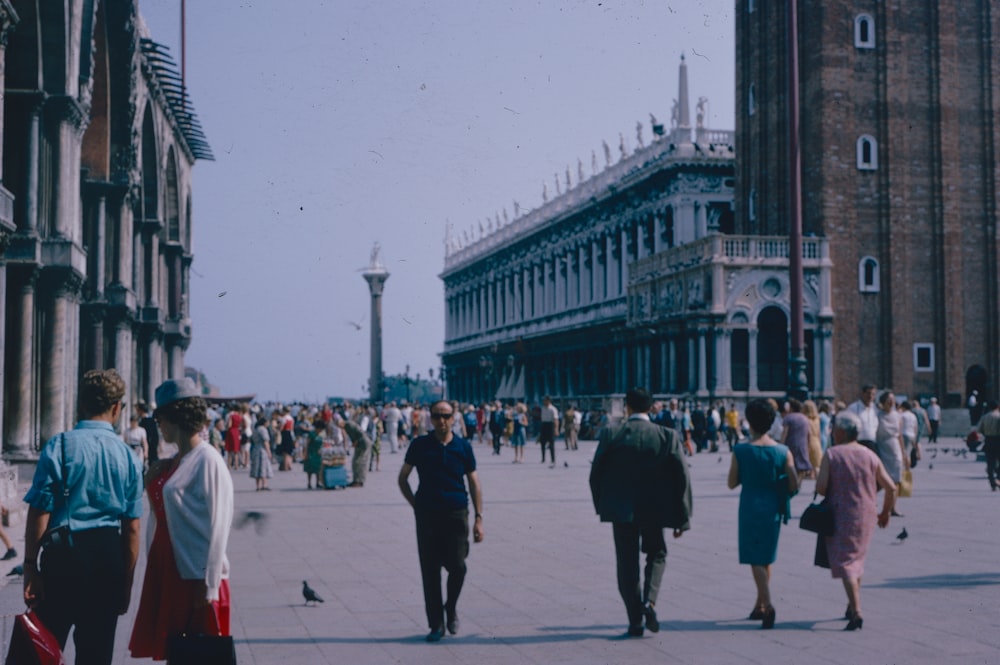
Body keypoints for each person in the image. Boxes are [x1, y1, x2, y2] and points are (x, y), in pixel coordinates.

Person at [22, 369, 143, 665]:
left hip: (62, 555)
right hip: (106, 557)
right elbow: (132, 528)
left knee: (43, 648)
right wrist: (126, 582)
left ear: (81, 403)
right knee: (96, 654)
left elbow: (40, 510)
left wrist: (30, 566)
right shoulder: (127, 456)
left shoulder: (59, 446)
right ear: (116, 408)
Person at [129, 377, 234, 660]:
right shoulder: (174, 462)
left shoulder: (208, 459)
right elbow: (164, 514)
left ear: (176, 417)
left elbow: (220, 524)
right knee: (178, 651)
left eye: (160, 419)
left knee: (199, 653)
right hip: (168, 566)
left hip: (195, 574)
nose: (158, 426)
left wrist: (210, 581)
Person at [589, 387, 692, 638]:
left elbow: (596, 475)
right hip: (655, 509)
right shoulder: (666, 435)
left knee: (626, 563)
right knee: (657, 553)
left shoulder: (612, 433)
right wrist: (682, 516)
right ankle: (650, 602)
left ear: (628, 407)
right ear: (651, 407)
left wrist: (603, 505)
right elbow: (682, 477)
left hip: (622, 511)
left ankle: (635, 619)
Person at [398, 400, 484, 642]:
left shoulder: (463, 447)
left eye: (445, 416)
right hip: (427, 515)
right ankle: (436, 624)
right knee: (430, 570)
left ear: (454, 417)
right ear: (430, 418)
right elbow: (403, 478)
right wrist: (416, 504)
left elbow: (474, 483)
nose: (441, 421)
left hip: (456, 512)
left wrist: (479, 518)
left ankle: (451, 607)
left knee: (458, 566)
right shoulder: (420, 445)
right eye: (436, 416)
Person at [816, 411, 896, 631]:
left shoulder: (832, 454)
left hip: (840, 514)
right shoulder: (870, 455)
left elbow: (821, 488)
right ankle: (851, 606)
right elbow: (891, 487)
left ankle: (857, 610)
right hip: (867, 514)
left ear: (840, 431)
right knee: (856, 559)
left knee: (847, 562)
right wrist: (885, 512)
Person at [727, 398, 799, 629]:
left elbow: (731, 483)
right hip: (773, 507)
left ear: (749, 421)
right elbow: (794, 483)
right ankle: (758, 605)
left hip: (750, 505)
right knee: (766, 556)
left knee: (754, 557)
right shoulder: (783, 451)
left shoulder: (741, 450)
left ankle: (767, 605)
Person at [874, 391, 906, 517]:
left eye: (893, 400)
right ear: (882, 402)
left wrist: (904, 453)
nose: (891, 402)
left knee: (896, 480)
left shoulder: (897, 416)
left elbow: (900, 435)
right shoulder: (878, 415)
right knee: (881, 480)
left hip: (895, 449)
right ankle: (871, 503)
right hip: (882, 447)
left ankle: (893, 507)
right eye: (889, 400)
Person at [781, 399, 812, 480]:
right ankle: (798, 484)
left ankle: (792, 484)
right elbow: (809, 434)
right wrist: (808, 445)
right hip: (802, 444)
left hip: (790, 444)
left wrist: (781, 444)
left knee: (790, 464)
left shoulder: (788, 418)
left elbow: (785, 433)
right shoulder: (805, 418)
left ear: (791, 408)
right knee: (801, 466)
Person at [338, 415, 371, 488]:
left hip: (363, 443)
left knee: (360, 462)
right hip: (359, 444)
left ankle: (360, 481)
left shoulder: (349, 425)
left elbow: (361, 433)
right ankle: (356, 480)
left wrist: (357, 441)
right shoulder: (346, 427)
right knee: (355, 462)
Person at [847, 384, 879, 453]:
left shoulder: (875, 409)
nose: (870, 396)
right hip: (858, 442)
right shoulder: (853, 408)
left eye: (873, 394)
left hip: (872, 443)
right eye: (868, 393)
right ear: (862, 394)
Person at [976, 401, 1000, 491]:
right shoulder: (999, 416)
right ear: (998, 406)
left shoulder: (985, 417)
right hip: (998, 441)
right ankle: (998, 479)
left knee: (990, 463)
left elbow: (979, 430)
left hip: (988, 441)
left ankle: (992, 483)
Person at [249, 415, 274, 491]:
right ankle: (264, 484)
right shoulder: (263, 430)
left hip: (256, 448)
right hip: (262, 449)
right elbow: (266, 441)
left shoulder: (256, 429)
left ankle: (257, 485)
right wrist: (269, 452)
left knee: (257, 466)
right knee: (263, 466)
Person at [136, 401, 160, 467]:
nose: (137, 412)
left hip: (150, 447)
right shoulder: (146, 420)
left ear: (141, 411)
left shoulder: (147, 421)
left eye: (138, 410)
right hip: (147, 447)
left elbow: (154, 436)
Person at [304, 418, 326, 490]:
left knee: (318, 469)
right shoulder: (311, 434)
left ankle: (317, 483)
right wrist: (306, 453)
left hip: (318, 453)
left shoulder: (321, 435)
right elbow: (307, 444)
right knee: (309, 469)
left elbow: (322, 443)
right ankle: (309, 483)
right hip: (311, 452)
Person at [538, 396, 560, 467]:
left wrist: (556, 429)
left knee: (551, 443)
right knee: (542, 442)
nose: (544, 402)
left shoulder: (553, 409)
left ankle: (553, 459)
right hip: (544, 425)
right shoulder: (542, 408)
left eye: (545, 401)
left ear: (549, 401)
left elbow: (556, 419)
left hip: (550, 425)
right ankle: (543, 458)